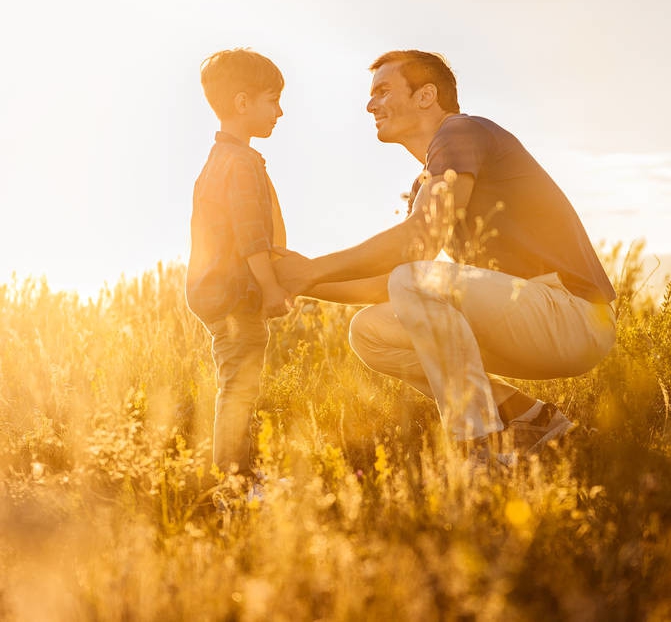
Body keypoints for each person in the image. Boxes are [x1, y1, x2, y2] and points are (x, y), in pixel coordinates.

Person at [276, 50, 616, 462]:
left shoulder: (460, 131)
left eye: (383, 91)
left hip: (574, 316)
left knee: (413, 278)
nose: (370, 105)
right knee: (369, 330)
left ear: (426, 96)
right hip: (526, 319)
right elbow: (393, 284)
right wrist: (299, 283)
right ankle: (536, 420)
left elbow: (418, 243)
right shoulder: (427, 181)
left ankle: (479, 447)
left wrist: (311, 268)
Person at [186, 48, 292, 478]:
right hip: (236, 294)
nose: (280, 112)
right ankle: (234, 482)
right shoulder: (241, 162)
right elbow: (251, 237)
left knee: (236, 383)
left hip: (218, 292)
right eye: (273, 101)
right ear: (243, 102)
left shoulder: (218, 160)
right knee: (239, 388)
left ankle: (236, 475)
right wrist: (271, 288)